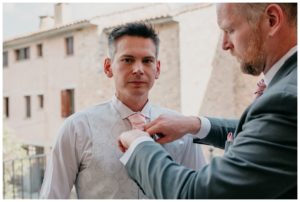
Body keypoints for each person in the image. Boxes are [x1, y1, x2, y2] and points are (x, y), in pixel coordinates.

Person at [118, 3, 297, 199]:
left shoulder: (286, 101)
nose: (224, 44)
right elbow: (264, 134)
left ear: (272, 20)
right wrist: (195, 125)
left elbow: (199, 193)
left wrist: (140, 146)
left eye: (230, 30)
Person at [40, 23, 206, 199]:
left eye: (147, 61)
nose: (138, 69)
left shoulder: (181, 129)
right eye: (127, 60)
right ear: (108, 67)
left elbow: (200, 194)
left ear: (157, 69)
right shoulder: (77, 128)